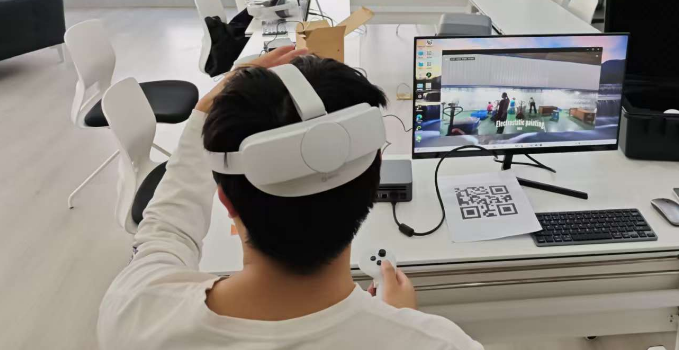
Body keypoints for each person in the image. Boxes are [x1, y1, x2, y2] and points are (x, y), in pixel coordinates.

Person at [98, 45, 483, 350]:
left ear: (225, 200)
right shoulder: (439, 344)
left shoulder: (135, 315)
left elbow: (165, 233)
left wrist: (202, 116)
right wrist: (399, 322)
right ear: (376, 174)